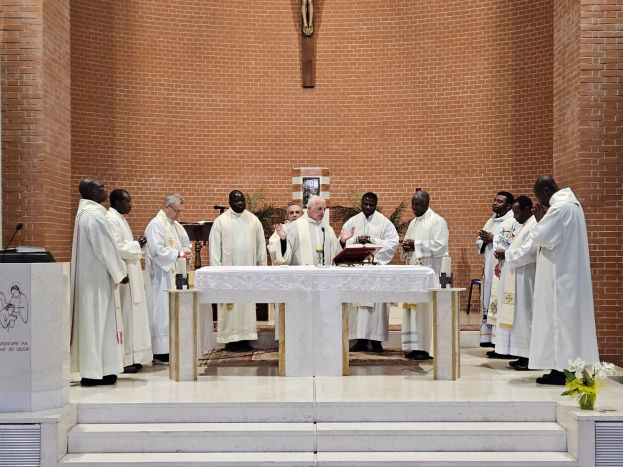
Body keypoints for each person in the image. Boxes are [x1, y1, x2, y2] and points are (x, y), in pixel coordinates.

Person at [529, 176, 599, 385]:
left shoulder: (560, 208)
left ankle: (562, 371)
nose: (541, 201)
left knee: (558, 322)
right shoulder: (574, 206)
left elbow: (541, 237)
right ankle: (565, 368)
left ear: (548, 189)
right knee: (568, 324)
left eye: (540, 196)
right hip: (568, 276)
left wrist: (540, 222)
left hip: (558, 278)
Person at [70, 178, 128, 387]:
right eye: (102, 187)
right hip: (96, 281)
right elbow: (105, 249)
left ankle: (101, 369)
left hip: (93, 279)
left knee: (97, 325)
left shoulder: (86, 214)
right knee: (97, 324)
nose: (106, 191)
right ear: (94, 191)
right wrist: (120, 273)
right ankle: (94, 372)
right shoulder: (94, 216)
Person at [340, 193, 399, 353]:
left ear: (376, 204)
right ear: (361, 203)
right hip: (358, 270)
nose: (367, 207)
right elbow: (342, 241)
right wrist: (356, 241)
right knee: (358, 306)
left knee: (377, 307)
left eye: (371, 205)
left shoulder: (384, 222)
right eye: (365, 204)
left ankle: (376, 341)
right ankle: (360, 340)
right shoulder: (352, 221)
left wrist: (373, 241)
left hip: (376, 270)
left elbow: (393, 242)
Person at [209, 190, 267, 351]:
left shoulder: (253, 220)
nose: (240, 204)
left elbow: (261, 246)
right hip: (228, 275)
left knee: (247, 306)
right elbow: (214, 250)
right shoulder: (221, 221)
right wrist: (216, 272)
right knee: (231, 307)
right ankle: (230, 339)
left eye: (242, 201)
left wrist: (262, 270)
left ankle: (246, 337)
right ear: (229, 203)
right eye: (237, 201)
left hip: (249, 273)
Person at [107, 189, 153, 373]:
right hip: (124, 276)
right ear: (118, 203)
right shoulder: (111, 220)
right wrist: (138, 244)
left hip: (131, 272)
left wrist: (135, 243)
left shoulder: (120, 219)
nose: (131, 205)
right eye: (128, 201)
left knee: (133, 317)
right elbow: (117, 248)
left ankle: (134, 356)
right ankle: (125, 359)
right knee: (126, 317)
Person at [144, 193, 192, 365]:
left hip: (174, 275)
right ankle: (159, 352)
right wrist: (178, 253)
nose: (179, 215)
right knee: (161, 312)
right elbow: (156, 251)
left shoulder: (176, 226)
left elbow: (186, 243)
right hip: (160, 278)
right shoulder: (155, 225)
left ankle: (170, 347)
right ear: (167, 207)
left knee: (172, 312)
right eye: (177, 211)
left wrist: (186, 251)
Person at [401, 190, 449, 360]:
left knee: (426, 311)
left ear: (427, 203)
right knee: (414, 311)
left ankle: (425, 347)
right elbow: (409, 244)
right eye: (413, 203)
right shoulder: (413, 223)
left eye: (418, 204)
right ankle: (414, 346)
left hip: (430, 275)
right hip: (414, 275)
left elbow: (441, 246)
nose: (414, 207)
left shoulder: (437, 221)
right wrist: (406, 248)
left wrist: (417, 245)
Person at [493, 196, 537, 370]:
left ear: (527, 210)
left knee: (525, 316)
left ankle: (528, 357)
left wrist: (507, 254)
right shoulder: (525, 224)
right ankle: (521, 354)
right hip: (518, 277)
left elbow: (530, 252)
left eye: (517, 212)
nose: (515, 216)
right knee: (519, 317)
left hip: (526, 279)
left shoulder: (533, 225)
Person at [475, 191, 515, 349]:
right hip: (489, 268)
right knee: (488, 299)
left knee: (499, 300)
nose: (495, 203)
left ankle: (500, 343)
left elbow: (515, 242)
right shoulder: (491, 220)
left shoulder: (513, 220)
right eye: (494, 200)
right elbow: (478, 243)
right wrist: (483, 239)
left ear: (509, 205)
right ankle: (489, 340)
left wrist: (494, 238)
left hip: (503, 269)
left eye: (499, 201)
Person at [273, 195, 353, 266]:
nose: (322, 212)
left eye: (324, 209)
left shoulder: (328, 229)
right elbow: (285, 255)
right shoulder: (295, 227)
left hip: (324, 277)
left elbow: (335, 255)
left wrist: (342, 242)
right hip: (301, 277)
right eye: (319, 209)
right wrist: (283, 241)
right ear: (309, 209)